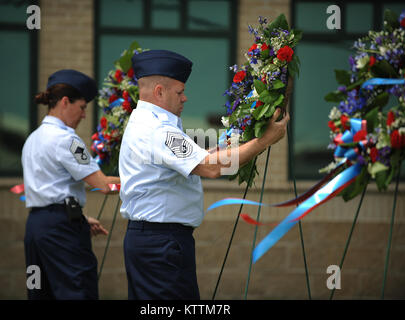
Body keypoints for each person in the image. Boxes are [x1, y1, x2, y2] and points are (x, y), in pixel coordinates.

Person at [118, 50, 290, 300]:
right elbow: (211, 167)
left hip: (155, 240)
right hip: (161, 242)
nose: (185, 98)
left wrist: (235, 144)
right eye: (179, 92)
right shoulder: (157, 130)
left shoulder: (147, 122)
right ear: (159, 92)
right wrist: (263, 142)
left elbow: (199, 157)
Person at [22, 69, 120, 300]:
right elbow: (103, 185)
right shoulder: (68, 140)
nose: (84, 115)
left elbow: (51, 189)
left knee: (39, 293)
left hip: (36, 228)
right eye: (83, 107)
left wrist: (79, 218)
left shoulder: (32, 139)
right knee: (78, 291)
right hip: (61, 230)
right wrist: (142, 180)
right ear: (65, 102)